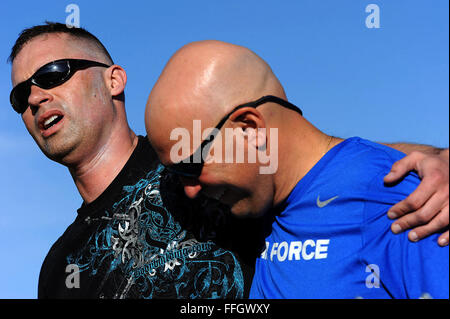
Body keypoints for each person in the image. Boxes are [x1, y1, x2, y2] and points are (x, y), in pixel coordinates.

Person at [144, 40, 449, 298]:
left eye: (191, 165)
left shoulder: (406, 202)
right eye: (177, 174)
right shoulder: (259, 204)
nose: (190, 189)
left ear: (250, 128)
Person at [9, 23, 256, 299]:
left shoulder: (200, 161)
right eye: (20, 95)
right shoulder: (60, 271)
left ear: (113, 81)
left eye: (52, 74)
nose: (34, 98)